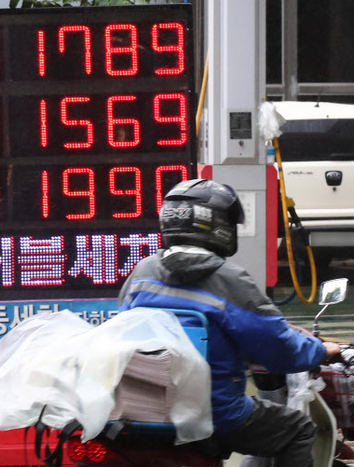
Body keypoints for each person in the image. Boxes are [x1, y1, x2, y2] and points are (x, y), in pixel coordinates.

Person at [118, 178, 341, 467]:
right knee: (297, 429)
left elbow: (122, 331)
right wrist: (321, 350)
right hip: (214, 413)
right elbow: (280, 349)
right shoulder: (229, 280)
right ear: (220, 227)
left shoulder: (142, 273)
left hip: (142, 410)